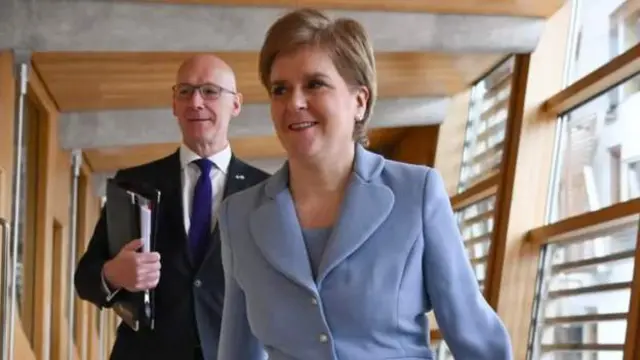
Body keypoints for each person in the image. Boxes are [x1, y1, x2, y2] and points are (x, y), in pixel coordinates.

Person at [216, 8, 513, 360]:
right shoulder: (238, 216)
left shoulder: (416, 194)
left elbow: (478, 341)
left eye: (314, 84)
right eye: (280, 89)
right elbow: (236, 352)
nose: (294, 102)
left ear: (360, 101)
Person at [74, 54, 270, 360]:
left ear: (236, 104)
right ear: (174, 104)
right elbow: (85, 279)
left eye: (209, 91)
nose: (195, 102)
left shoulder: (267, 192)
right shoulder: (132, 183)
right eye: (185, 91)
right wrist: (113, 274)